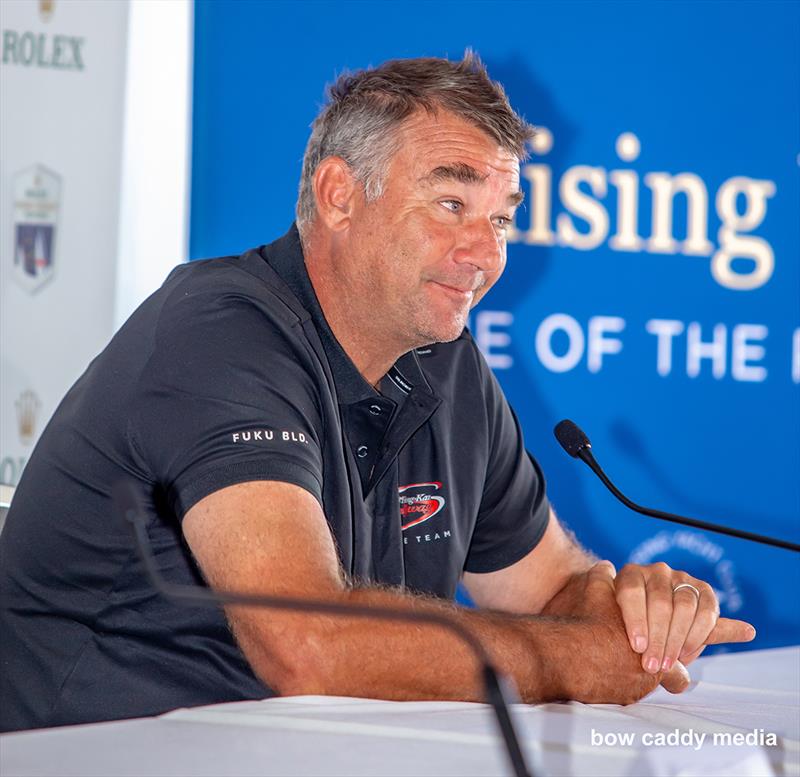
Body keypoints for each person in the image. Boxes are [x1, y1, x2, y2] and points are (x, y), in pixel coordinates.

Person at [0, 53, 754, 732]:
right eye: (451, 205)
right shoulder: (216, 334)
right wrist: (582, 666)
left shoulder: (450, 367)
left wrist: (632, 614)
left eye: (501, 218)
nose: (486, 253)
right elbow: (306, 643)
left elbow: (553, 590)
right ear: (337, 194)